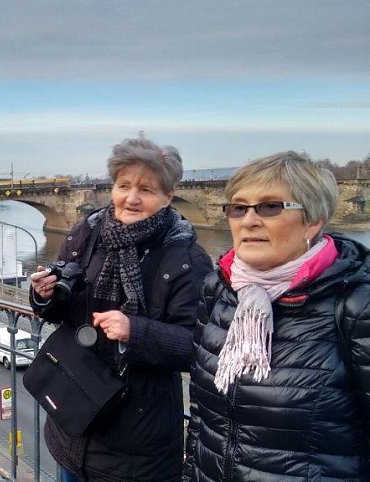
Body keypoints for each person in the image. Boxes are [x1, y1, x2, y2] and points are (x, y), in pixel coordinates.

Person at [30, 137, 212, 481]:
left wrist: (136, 331)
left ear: (168, 196)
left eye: (146, 189)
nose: (131, 198)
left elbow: (201, 347)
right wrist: (45, 295)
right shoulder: (88, 232)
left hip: (135, 439)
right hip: (73, 421)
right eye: (123, 185)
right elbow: (61, 311)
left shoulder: (186, 258)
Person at [185, 152, 370, 480]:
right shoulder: (220, 291)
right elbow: (202, 414)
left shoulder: (356, 304)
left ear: (313, 220)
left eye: (271, 207)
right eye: (239, 208)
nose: (249, 220)